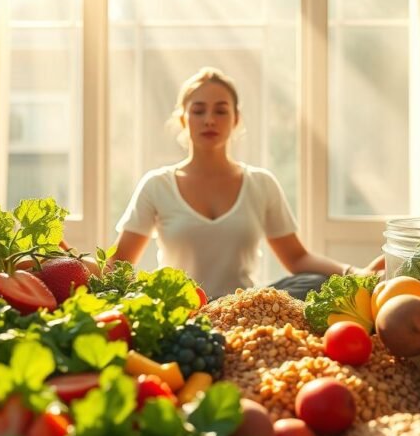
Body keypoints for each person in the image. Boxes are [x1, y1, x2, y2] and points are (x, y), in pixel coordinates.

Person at [106, 67, 367, 300]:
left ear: (236, 119)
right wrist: (72, 262)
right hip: (181, 311)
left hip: (241, 310)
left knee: (315, 283)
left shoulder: (261, 183)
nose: (209, 119)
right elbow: (119, 264)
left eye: (220, 110)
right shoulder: (157, 185)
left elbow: (297, 258)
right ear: (184, 119)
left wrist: (355, 273)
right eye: (198, 111)